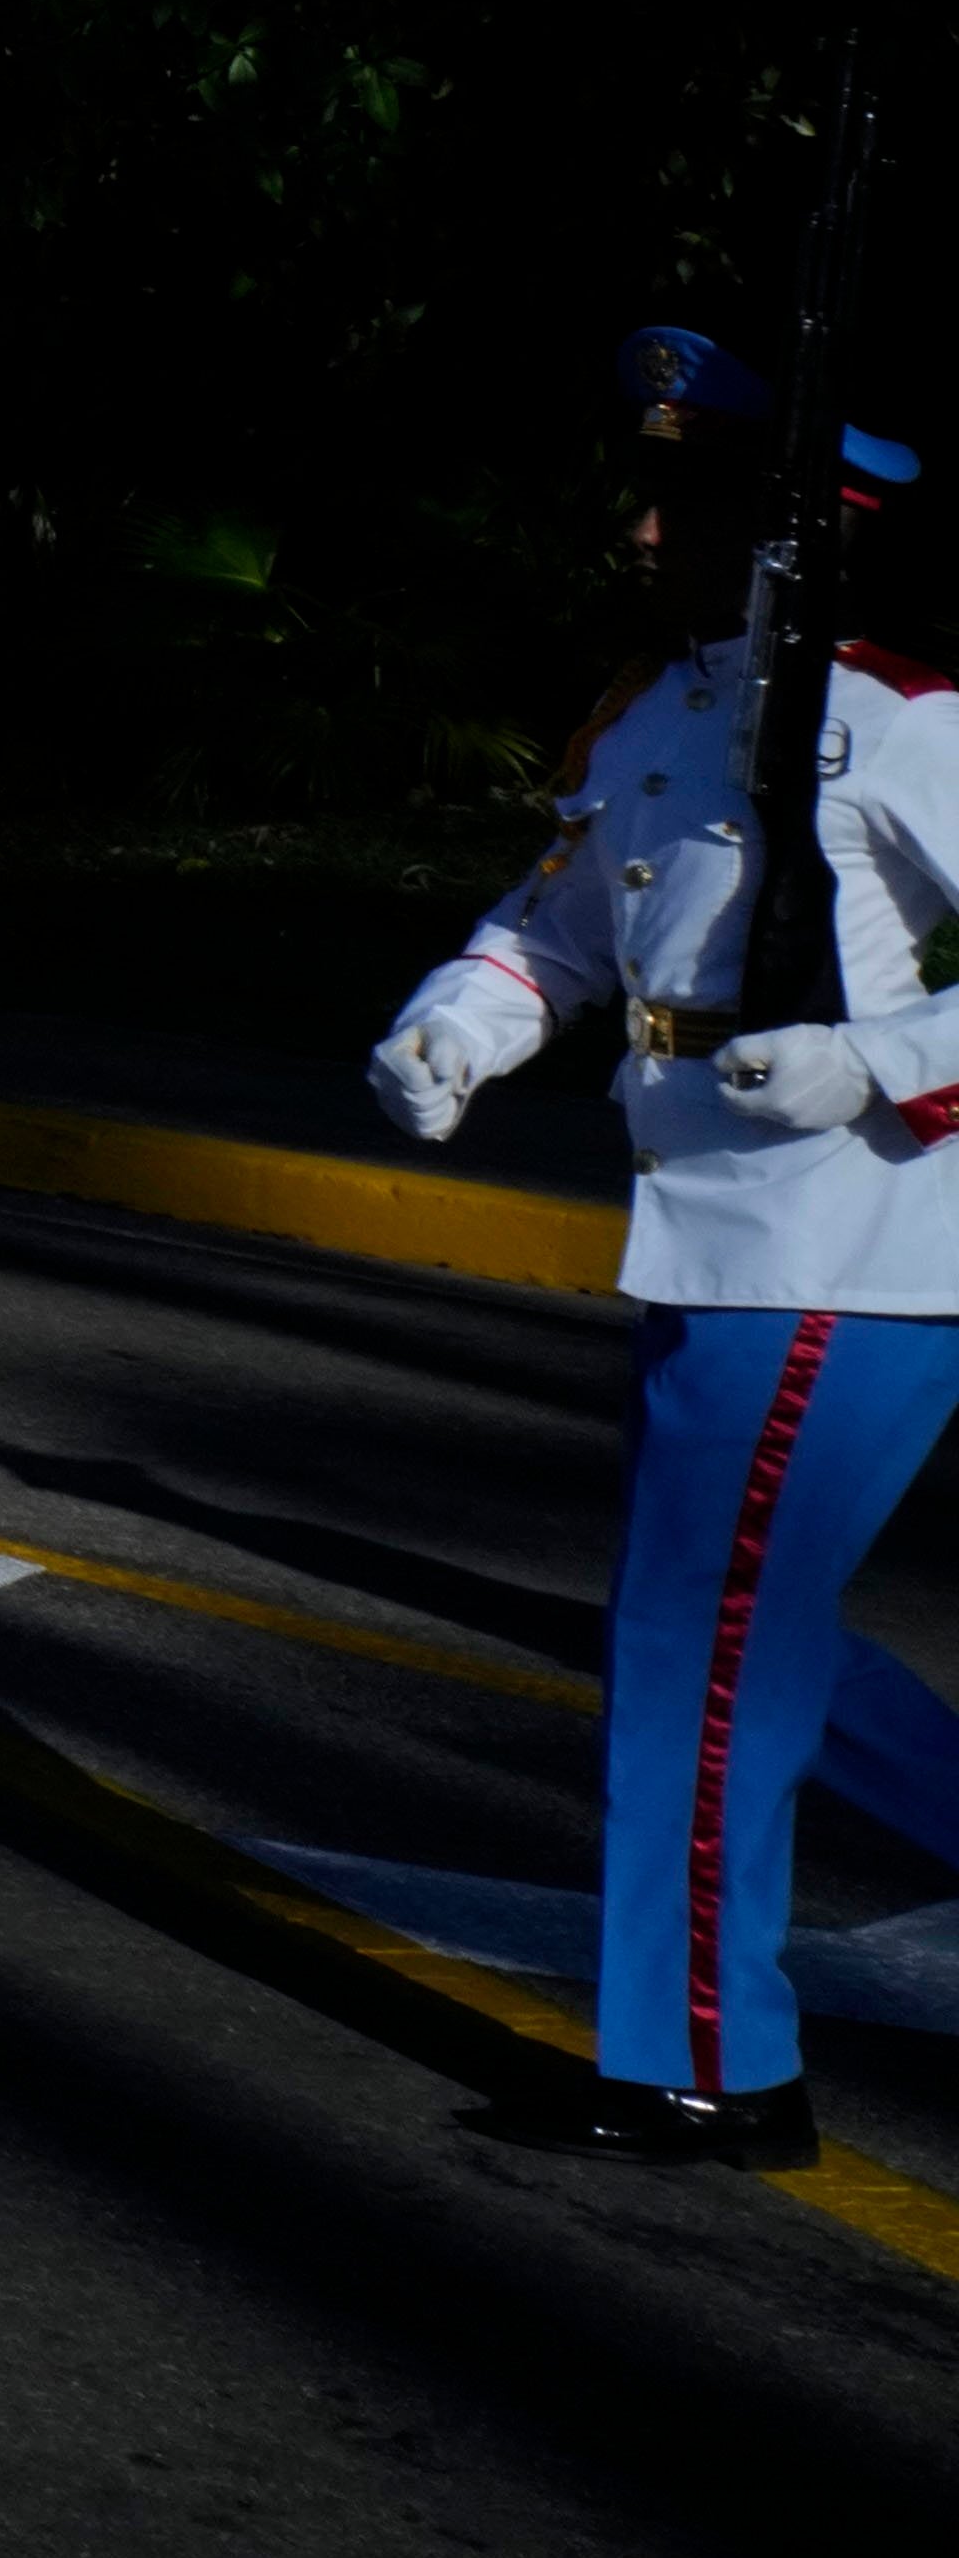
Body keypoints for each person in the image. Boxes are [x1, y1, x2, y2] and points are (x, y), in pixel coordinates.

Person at [350, 329, 959, 2162]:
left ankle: (709, 2061)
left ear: (798, 534)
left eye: (681, 504)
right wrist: (464, 1014)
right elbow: (562, 930)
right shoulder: (659, 712)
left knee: (695, 1647)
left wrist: (883, 1055)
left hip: (851, 1238)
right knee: (750, 1645)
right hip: (704, 1233)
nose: (636, 528)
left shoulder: (906, 720)